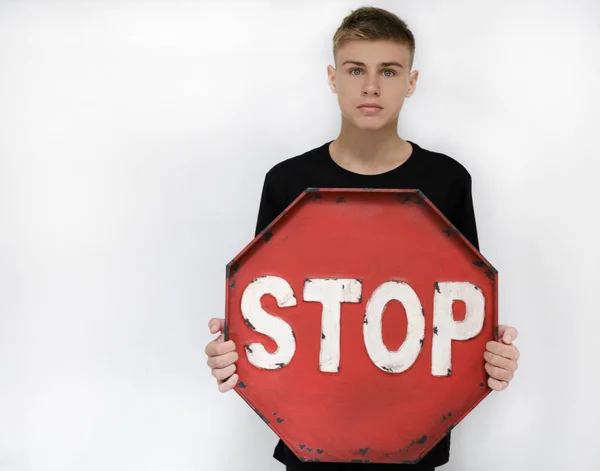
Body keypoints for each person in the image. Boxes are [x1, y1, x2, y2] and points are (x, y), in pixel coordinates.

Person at [205, 6, 520, 470]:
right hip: (308, 442)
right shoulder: (287, 181)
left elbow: (462, 303)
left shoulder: (449, 181)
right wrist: (233, 349)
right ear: (333, 77)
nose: (371, 86)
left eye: (388, 71)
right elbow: (268, 301)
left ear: (411, 82)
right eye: (356, 70)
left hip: (415, 446)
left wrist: (491, 356)